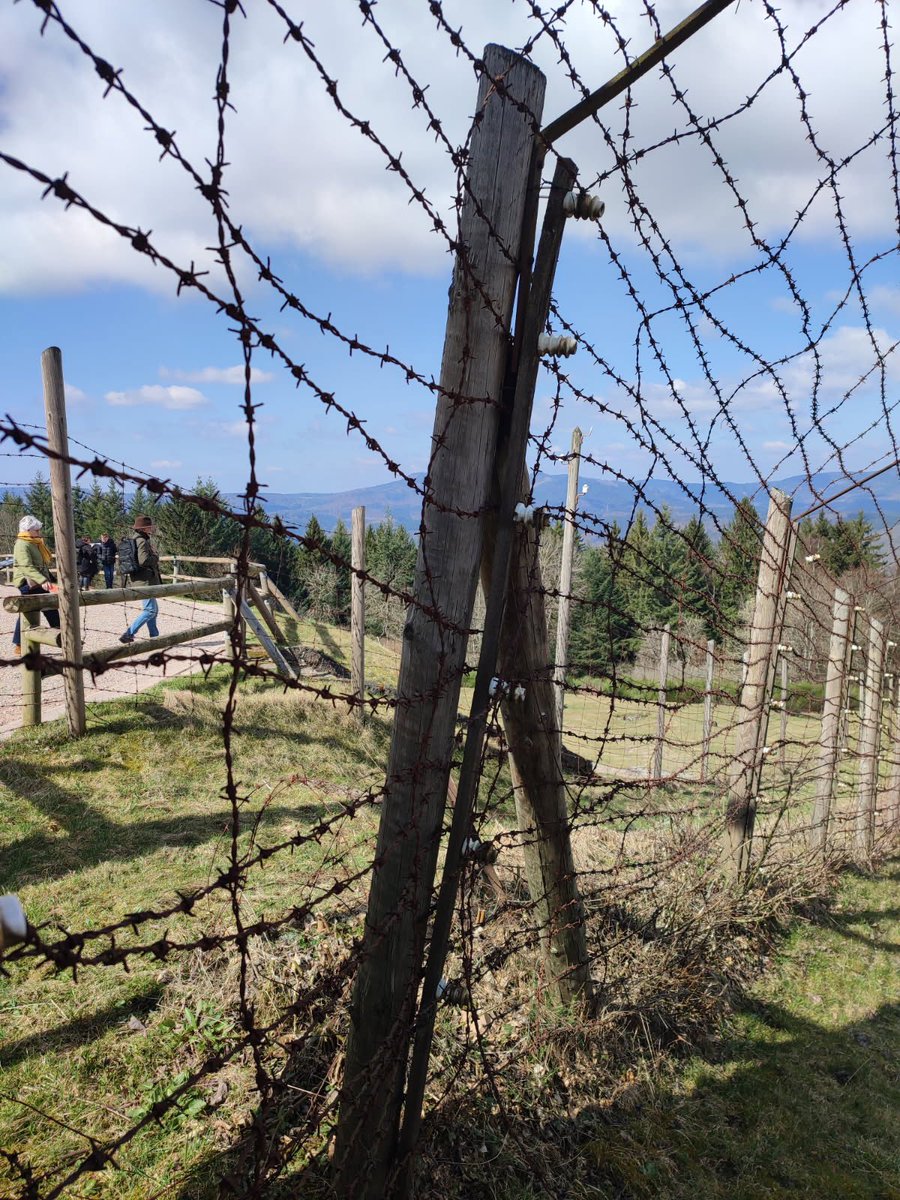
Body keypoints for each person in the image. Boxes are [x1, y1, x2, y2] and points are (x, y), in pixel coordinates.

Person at [11, 515, 60, 656]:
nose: (39, 532)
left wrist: (51, 579)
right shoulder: (22, 544)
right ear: (28, 530)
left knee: (41, 609)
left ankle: (61, 636)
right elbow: (26, 566)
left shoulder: (34, 542)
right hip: (28, 583)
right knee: (33, 612)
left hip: (37, 582)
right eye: (37, 530)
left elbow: (41, 565)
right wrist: (43, 581)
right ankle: (62, 637)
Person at [119, 514, 162, 643]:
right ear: (144, 528)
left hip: (140, 580)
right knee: (150, 610)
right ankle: (128, 634)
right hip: (145, 581)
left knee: (153, 610)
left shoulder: (135, 539)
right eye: (150, 526)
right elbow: (143, 561)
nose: (152, 528)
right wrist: (155, 557)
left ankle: (154, 636)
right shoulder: (142, 541)